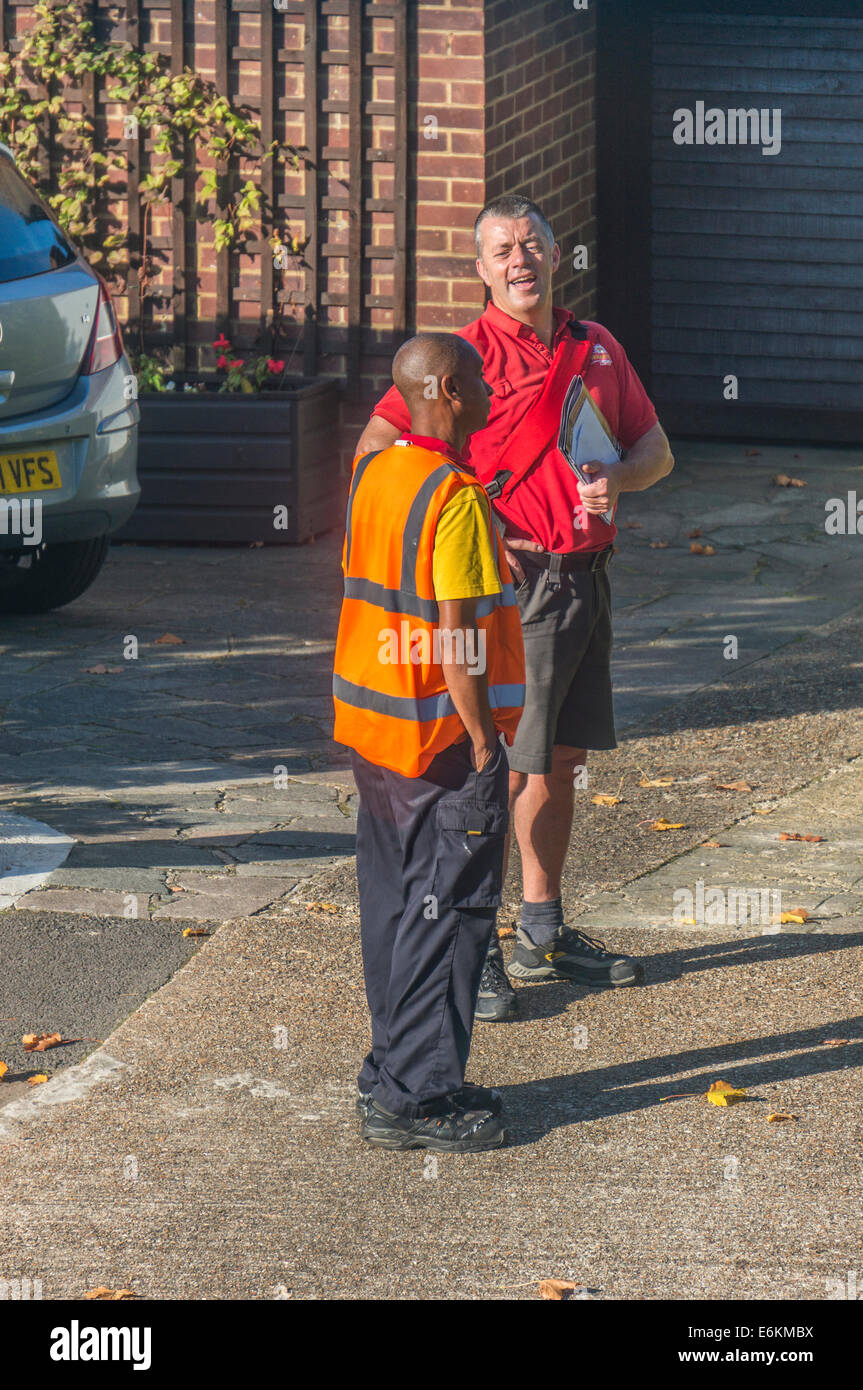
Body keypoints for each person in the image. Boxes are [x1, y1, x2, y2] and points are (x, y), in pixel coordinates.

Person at [355, 194, 675, 1020]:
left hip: (586, 578)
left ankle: (542, 929)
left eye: (530, 245)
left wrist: (619, 479)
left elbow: (655, 449)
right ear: (479, 270)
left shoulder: (596, 347)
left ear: (557, 254)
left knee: (561, 761)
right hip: (507, 593)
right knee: (495, 767)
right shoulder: (455, 358)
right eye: (501, 250)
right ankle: (478, 946)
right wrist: (470, 516)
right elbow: (375, 451)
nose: (519, 261)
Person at [333, 331, 526, 1152]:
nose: (488, 393)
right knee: (447, 914)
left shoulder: (377, 473)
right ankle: (417, 1100)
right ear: (447, 390)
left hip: (376, 732)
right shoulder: (452, 497)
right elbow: (459, 643)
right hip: (440, 743)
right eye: (479, 381)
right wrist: (485, 746)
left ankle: (394, 1073)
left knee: (394, 907)